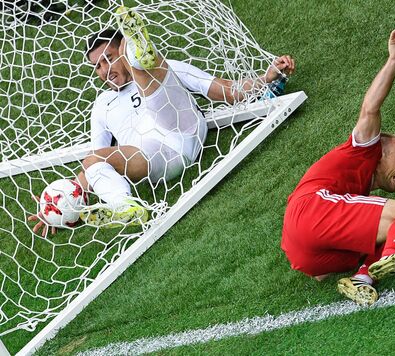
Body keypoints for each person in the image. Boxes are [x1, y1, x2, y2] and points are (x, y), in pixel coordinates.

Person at [29, 5, 295, 236]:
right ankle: (125, 206)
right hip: (151, 159)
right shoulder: (101, 106)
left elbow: (224, 90)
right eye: (97, 66)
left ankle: (138, 54)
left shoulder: (169, 67)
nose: (104, 70)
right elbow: (95, 161)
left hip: (181, 129)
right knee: (92, 161)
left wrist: (266, 78)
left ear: (120, 51)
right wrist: (64, 205)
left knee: (148, 72)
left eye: (108, 59)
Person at [281, 15, 395, 306]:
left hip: (301, 251)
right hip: (313, 208)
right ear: (380, 150)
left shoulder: (355, 187)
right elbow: (370, 107)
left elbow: (317, 274)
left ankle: (362, 278)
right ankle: (389, 258)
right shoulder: (364, 148)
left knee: (378, 237)